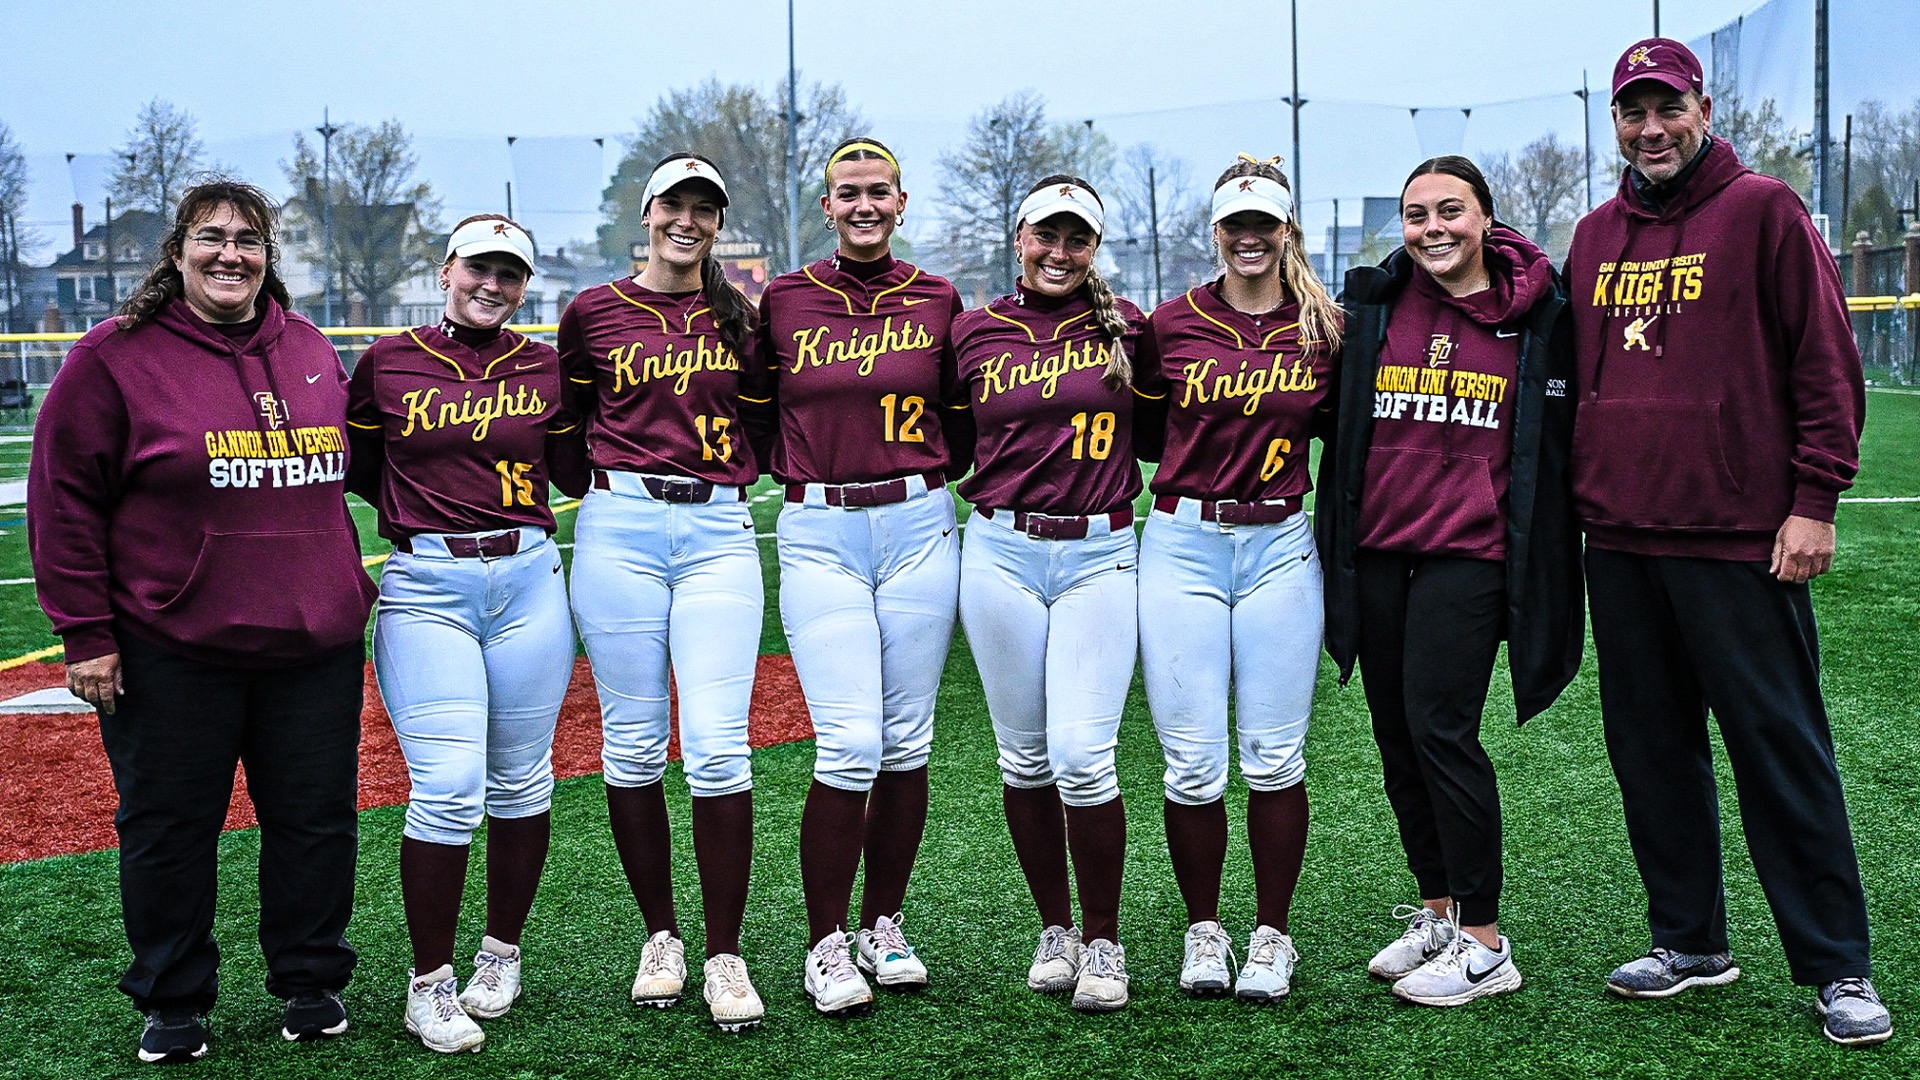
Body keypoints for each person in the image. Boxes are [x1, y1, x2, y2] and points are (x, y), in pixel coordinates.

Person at [1567, 38, 1887, 1046]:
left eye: (1668, 109)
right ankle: (1690, 941)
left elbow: (1826, 365)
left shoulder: (1765, 211)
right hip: (1622, 541)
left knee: (1780, 752)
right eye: (1633, 113)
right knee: (1652, 756)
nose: (1652, 129)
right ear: (1616, 123)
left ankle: (1838, 966)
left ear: (1704, 110)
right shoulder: (1594, 235)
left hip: (1740, 540)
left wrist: (1815, 500)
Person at [27, 178, 377, 1063]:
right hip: (172, 647)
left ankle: (310, 982)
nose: (231, 254)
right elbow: (64, 502)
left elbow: (359, 470)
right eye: (212, 237)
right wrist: (86, 634)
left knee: (316, 823)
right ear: (178, 251)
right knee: (169, 829)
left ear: (268, 256)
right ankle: (174, 999)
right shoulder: (113, 356)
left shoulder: (308, 346)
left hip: (312, 643)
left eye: (248, 240)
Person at [1317, 156, 1583, 1006]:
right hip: (1378, 550)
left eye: (1450, 211)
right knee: (1396, 737)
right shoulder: (1374, 305)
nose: (1433, 228)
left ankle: (1486, 942)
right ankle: (1437, 912)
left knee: (1441, 730)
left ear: (1485, 218)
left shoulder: (1541, 311)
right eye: (1416, 214)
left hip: (1469, 554)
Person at [345, 214, 584, 1052]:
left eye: (509, 273)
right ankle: (430, 983)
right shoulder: (389, 360)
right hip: (429, 584)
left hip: (528, 578)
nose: (492, 284)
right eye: (479, 267)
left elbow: (570, 469)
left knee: (521, 780)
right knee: (447, 785)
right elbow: (361, 469)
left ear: (524, 287)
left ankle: (500, 953)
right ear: (446, 270)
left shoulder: (544, 366)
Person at [748, 136, 970, 1016]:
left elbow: (962, 418)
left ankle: (884, 923)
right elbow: (757, 412)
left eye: (880, 191)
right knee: (849, 742)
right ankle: (826, 942)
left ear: (902, 202)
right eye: (850, 193)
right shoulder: (785, 298)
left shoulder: (938, 297)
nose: (866, 205)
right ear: (828, 206)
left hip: (919, 522)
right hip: (821, 526)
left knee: (907, 742)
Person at [559, 154, 768, 1032]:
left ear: (717, 223)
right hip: (621, 528)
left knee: (718, 749)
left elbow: (763, 419)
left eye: (704, 208)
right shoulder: (593, 311)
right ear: (646, 214)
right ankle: (661, 937)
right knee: (634, 746)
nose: (688, 220)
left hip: (718, 527)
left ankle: (724, 952)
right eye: (674, 204)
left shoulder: (743, 317)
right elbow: (567, 429)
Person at [1132, 154, 1340, 1002]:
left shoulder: (1323, 327)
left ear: (1287, 230)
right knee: (1190, 763)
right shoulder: (1170, 323)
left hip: (1280, 542)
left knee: (1276, 757)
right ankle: (1204, 930)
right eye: (1235, 225)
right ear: (1215, 232)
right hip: (1183, 542)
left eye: (1264, 224)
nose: (1250, 238)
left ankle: (1272, 934)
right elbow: (1146, 433)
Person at [950, 175, 1147, 1012]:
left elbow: (1164, 432)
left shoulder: (1128, 327)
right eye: (1047, 235)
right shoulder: (973, 330)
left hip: (1099, 553)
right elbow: (948, 434)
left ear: (1094, 248)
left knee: (1083, 756)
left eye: (1077, 239)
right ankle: (1056, 930)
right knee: (1024, 758)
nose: (1059, 253)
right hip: (1000, 551)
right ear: (1019, 237)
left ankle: (1104, 939)